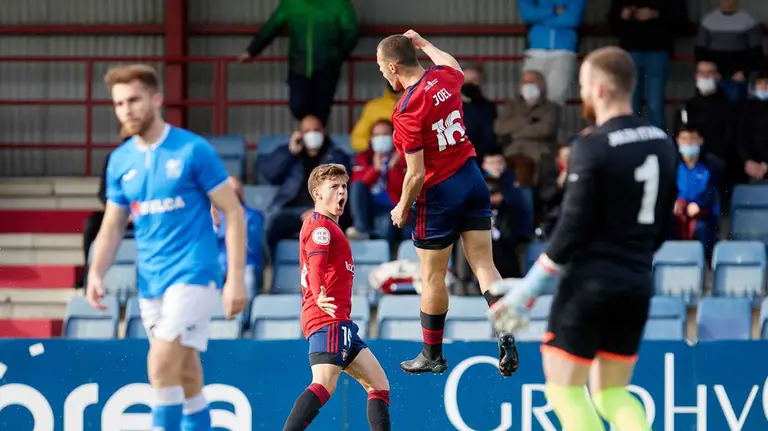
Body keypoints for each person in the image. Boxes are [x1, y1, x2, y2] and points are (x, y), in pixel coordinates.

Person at [490, 47, 677, 431]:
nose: (584, 95)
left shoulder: (592, 145)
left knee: (566, 391)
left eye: (586, 87)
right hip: (637, 283)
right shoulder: (661, 142)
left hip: (589, 287)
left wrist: (530, 290)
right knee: (613, 395)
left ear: (601, 89)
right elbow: (662, 227)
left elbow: (571, 227)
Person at [86, 64, 248, 431]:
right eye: (119, 103)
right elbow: (112, 225)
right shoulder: (120, 160)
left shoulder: (193, 149)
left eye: (133, 100)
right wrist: (96, 272)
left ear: (156, 99)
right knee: (186, 373)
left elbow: (233, 212)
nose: (126, 109)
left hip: (194, 274)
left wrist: (235, 278)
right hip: (151, 282)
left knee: (160, 362)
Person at [376, 30, 519, 377]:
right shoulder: (444, 79)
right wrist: (424, 44)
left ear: (394, 67)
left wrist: (402, 207)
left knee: (433, 276)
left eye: (382, 68)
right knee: (485, 266)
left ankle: (432, 354)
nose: (382, 73)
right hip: (472, 179)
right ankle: (506, 329)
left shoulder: (407, 109)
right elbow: (451, 63)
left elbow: (415, 175)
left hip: (438, 193)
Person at [282, 164, 390, 431]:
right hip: (327, 316)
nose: (342, 192)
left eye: (343, 187)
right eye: (334, 187)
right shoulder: (321, 226)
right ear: (317, 193)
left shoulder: (329, 226)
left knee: (379, 385)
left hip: (340, 321)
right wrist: (319, 292)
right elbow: (316, 262)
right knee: (324, 382)